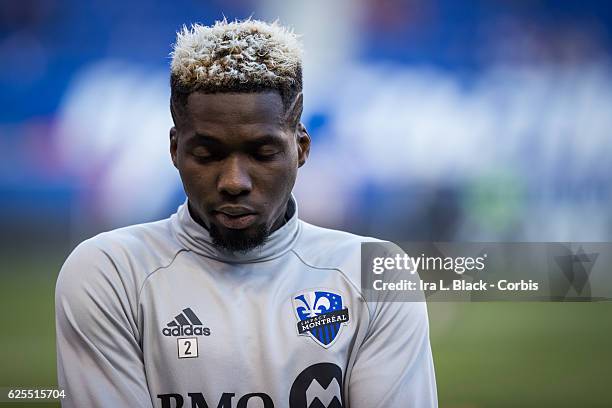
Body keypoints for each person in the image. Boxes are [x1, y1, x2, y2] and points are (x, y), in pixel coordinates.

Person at [55, 19, 437, 408]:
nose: (234, 181)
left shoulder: (377, 273)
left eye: (262, 153)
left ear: (301, 148)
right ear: (174, 150)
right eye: (207, 154)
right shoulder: (110, 272)